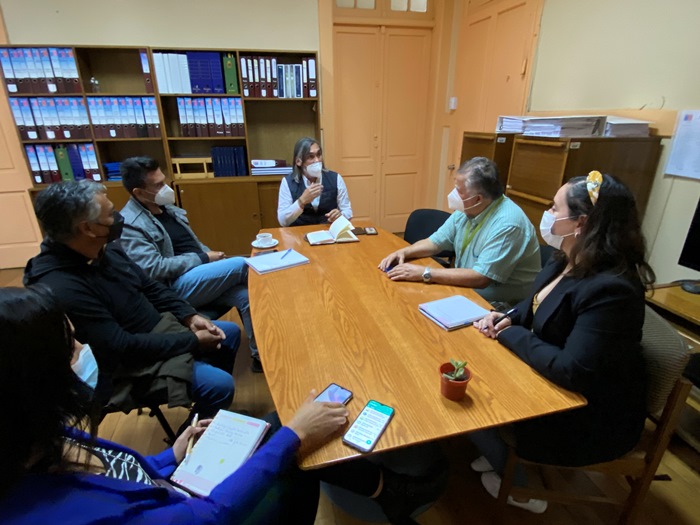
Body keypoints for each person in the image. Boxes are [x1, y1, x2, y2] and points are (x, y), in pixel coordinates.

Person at [0, 286, 446, 525]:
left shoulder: (35, 437)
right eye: (72, 347)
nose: (84, 348)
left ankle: (382, 489)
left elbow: (123, 471)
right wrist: (294, 436)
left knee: (275, 426)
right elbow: (207, 516)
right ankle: (393, 494)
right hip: (203, 510)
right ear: (38, 381)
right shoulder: (58, 513)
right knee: (296, 450)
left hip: (171, 487)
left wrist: (169, 457)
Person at [471, 171, 654, 513]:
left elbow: (573, 370)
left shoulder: (612, 289)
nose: (548, 214)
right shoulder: (566, 260)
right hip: (556, 387)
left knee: (478, 401)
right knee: (472, 369)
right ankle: (497, 453)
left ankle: (522, 487)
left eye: (555, 208)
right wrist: (507, 317)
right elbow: (535, 303)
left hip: (589, 419)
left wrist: (510, 333)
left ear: (580, 222)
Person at [24, 180, 240, 427]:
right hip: (124, 366)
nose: (119, 218)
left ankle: (204, 408)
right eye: (110, 214)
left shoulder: (104, 248)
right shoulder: (62, 286)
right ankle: (188, 442)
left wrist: (189, 315)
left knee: (227, 334)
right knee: (219, 386)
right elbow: (120, 347)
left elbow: (149, 286)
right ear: (88, 229)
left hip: (154, 333)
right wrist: (192, 341)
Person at [118, 157, 262, 374]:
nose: (165, 188)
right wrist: (204, 259)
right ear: (138, 192)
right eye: (157, 185)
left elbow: (192, 244)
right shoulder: (130, 223)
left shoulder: (166, 207)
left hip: (196, 278)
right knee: (243, 264)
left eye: (164, 181)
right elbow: (153, 269)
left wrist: (212, 260)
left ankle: (259, 356)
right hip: (172, 288)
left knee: (245, 296)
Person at [379, 157, 540, 305]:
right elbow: (435, 242)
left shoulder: (508, 224)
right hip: (466, 291)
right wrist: (404, 252)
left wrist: (425, 273)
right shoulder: (468, 210)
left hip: (498, 307)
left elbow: (481, 278)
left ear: (478, 198)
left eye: (459, 191)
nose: (453, 195)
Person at [277, 137, 353, 226]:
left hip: (328, 233)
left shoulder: (336, 178)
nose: (317, 160)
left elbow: (348, 211)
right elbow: (282, 221)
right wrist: (301, 201)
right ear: (298, 161)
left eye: (319, 155)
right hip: (299, 233)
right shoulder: (288, 182)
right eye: (311, 157)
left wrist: (341, 216)